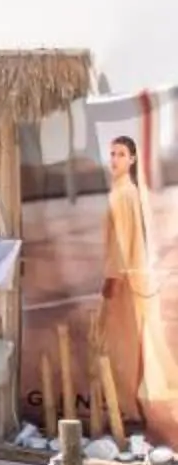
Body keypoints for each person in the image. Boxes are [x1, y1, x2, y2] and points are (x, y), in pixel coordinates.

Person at [100, 134, 158, 437]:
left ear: (132, 159)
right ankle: (127, 411)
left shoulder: (125, 193)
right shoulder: (121, 191)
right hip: (126, 277)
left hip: (123, 280)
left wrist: (112, 277)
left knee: (122, 349)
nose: (114, 159)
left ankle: (129, 413)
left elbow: (122, 243)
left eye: (121, 154)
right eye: (112, 153)